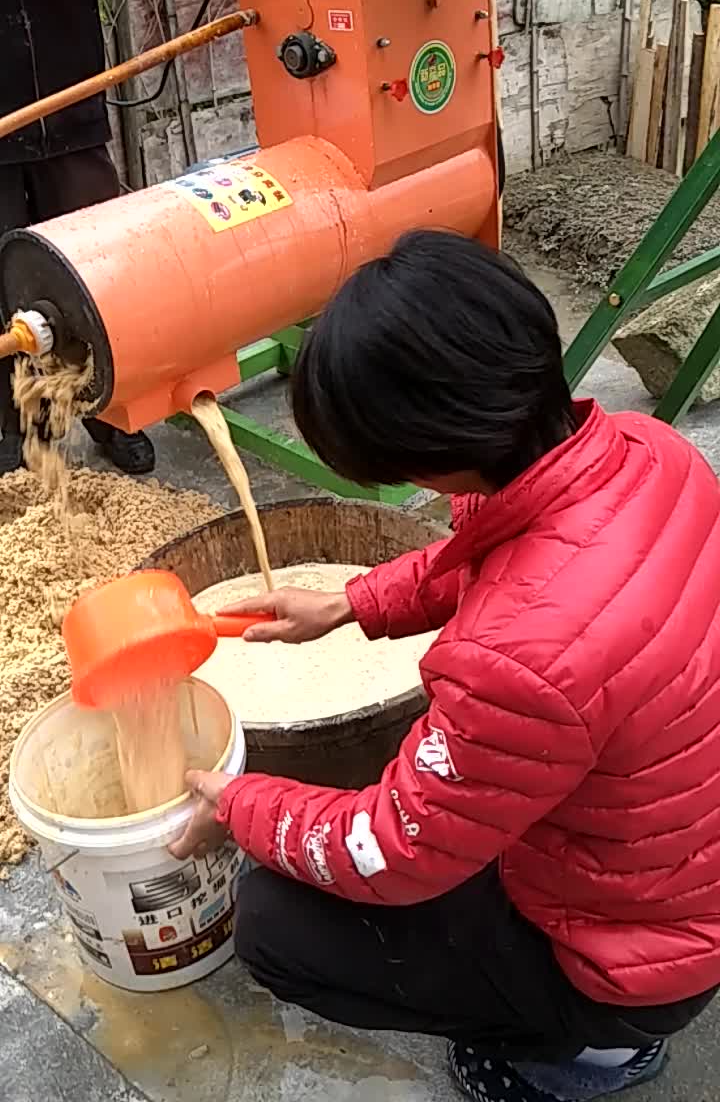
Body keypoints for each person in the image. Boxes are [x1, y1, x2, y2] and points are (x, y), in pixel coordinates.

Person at [170, 230, 720, 1102]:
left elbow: (386, 850)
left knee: (273, 924)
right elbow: (506, 551)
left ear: (429, 453)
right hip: (683, 870)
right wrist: (353, 603)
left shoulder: (513, 665)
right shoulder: (651, 453)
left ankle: (587, 1048)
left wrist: (239, 803)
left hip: (637, 958)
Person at [0, 0, 189, 474]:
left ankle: (114, 410)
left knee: (102, 279)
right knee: (7, 293)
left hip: (73, 123)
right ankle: (26, 434)